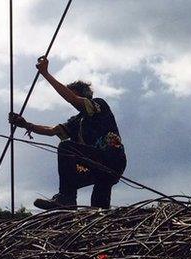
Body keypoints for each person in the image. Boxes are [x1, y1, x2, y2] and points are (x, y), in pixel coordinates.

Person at [9, 56, 127, 210]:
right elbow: (52, 131)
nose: (71, 100)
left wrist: (45, 73)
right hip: (97, 168)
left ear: (82, 95)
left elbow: (71, 98)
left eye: (73, 95)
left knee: (67, 148)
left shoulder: (99, 105)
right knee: (98, 206)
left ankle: (67, 198)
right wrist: (25, 124)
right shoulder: (77, 121)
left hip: (112, 159)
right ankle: (94, 212)